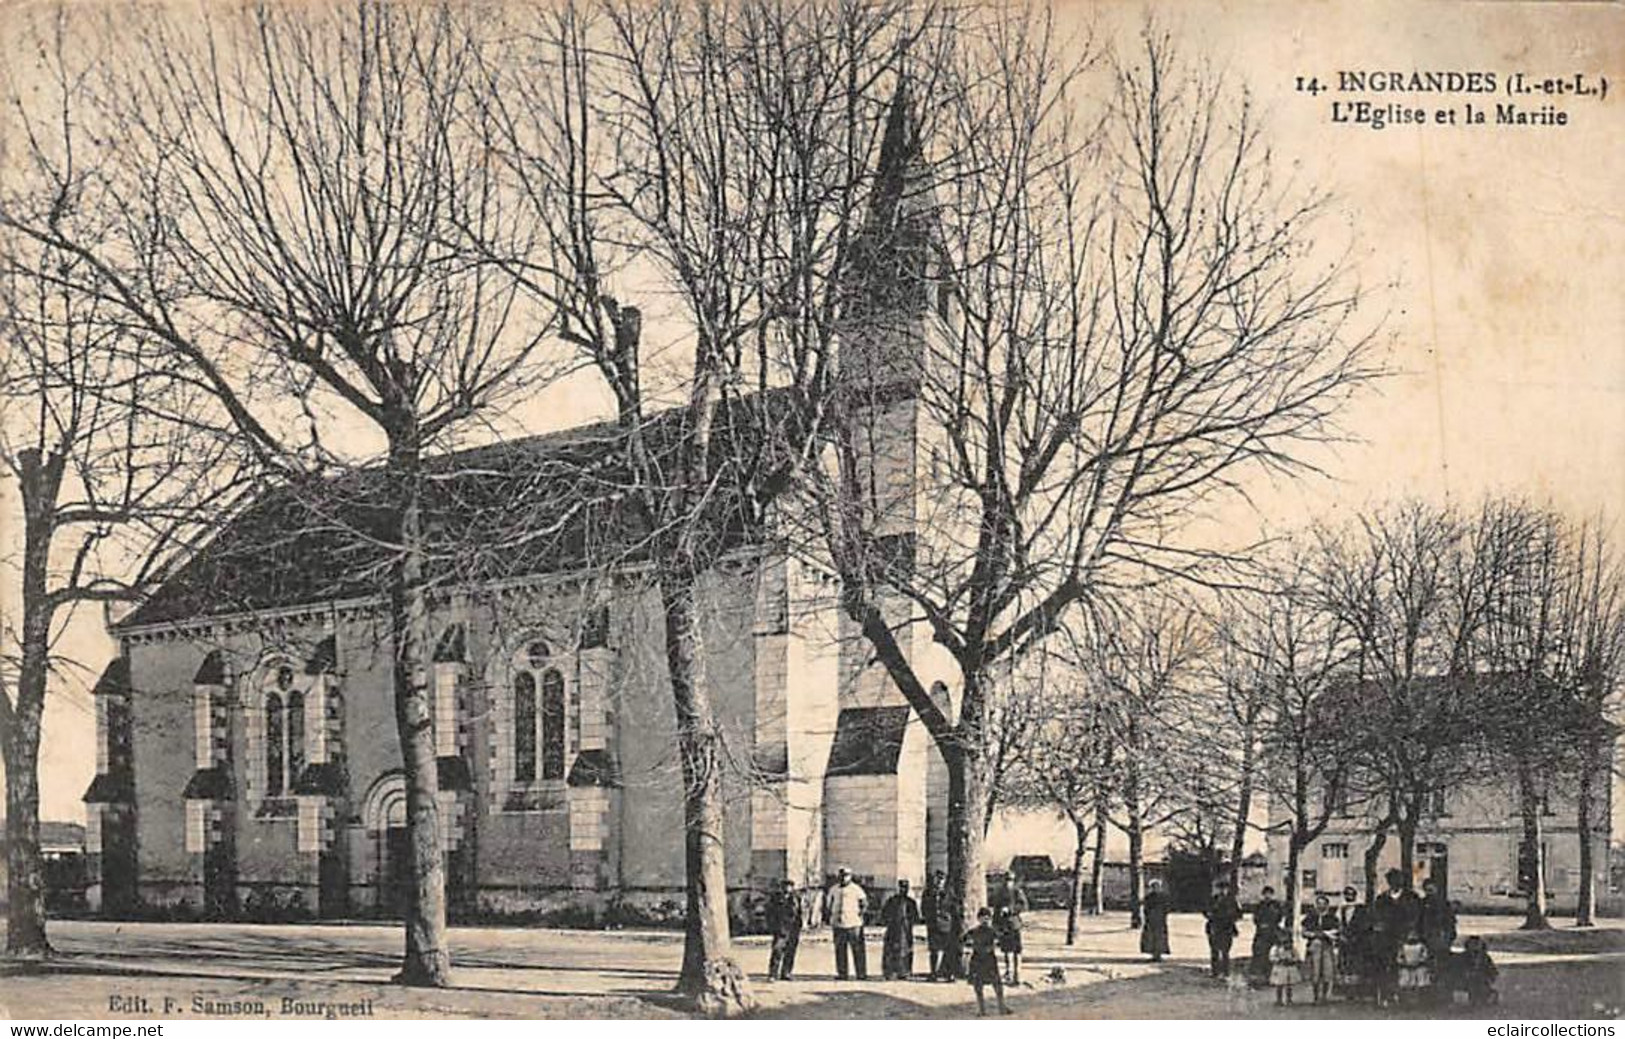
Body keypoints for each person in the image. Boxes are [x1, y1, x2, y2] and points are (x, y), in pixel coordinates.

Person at [1371, 869, 1421, 1007]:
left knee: (1405, 967)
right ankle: (1387, 995)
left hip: (1404, 936)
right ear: (1389, 881)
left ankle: (1404, 996)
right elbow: (1377, 917)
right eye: (1392, 880)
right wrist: (1380, 927)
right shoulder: (1382, 898)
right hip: (1386, 938)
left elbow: (1416, 916)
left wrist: (1411, 931)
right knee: (1387, 966)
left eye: (1398, 879)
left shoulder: (1411, 897)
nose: (1396, 882)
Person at [962, 907, 1012, 1016]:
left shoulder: (991, 931)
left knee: (997, 984)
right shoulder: (974, 931)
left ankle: (1001, 1007)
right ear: (978, 919)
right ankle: (982, 1009)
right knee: (978, 986)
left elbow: (1001, 939)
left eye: (987, 918)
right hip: (979, 959)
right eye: (983, 918)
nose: (985, 920)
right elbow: (964, 941)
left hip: (989, 959)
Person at [824, 867, 869, 980]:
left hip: (853, 924)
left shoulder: (856, 889)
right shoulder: (833, 889)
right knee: (840, 950)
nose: (843, 878)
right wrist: (830, 916)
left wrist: (860, 915)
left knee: (857, 950)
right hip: (838, 924)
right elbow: (828, 905)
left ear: (850, 876)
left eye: (846, 876)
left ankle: (861, 973)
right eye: (841, 876)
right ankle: (842, 973)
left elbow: (864, 903)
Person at [1302, 893, 1341, 1004]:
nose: (1321, 906)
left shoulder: (1332, 918)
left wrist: (1326, 934)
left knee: (1327, 972)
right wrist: (1314, 935)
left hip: (1327, 946)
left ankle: (1324, 996)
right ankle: (1316, 996)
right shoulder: (1310, 917)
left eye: (1324, 904)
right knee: (1315, 972)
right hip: (1314, 946)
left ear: (1327, 905)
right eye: (1319, 904)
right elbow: (1304, 932)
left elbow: (1336, 931)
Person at [881, 878, 921, 980]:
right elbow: (884, 914)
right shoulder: (892, 900)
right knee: (890, 950)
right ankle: (890, 972)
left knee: (905, 950)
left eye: (905, 888)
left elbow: (915, 917)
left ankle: (905, 971)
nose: (903, 890)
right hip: (893, 929)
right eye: (901, 887)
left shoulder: (911, 902)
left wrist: (908, 923)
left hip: (905, 930)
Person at [1337, 886, 1373, 998]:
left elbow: (1365, 925)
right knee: (1346, 966)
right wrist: (1342, 936)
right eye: (1347, 894)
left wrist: (1357, 937)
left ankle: (1359, 991)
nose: (1349, 897)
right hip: (1345, 941)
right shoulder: (1342, 909)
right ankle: (1348, 991)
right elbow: (1339, 924)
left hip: (1358, 942)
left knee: (1358, 966)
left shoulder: (1361, 908)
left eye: (1351, 894)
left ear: (1355, 895)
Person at [992, 875, 1028, 985]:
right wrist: (995, 925)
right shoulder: (1000, 893)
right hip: (1004, 925)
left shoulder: (1017, 892)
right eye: (1006, 880)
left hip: (1014, 924)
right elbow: (996, 909)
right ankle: (1009, 972)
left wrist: (1011, 909)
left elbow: (1024, 906)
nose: (1008, 883)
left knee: (1017, 950)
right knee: (1007, 950)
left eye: (1010, 880)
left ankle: (1018, 974)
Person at [1204, 880, 1243, 978]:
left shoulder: (1232, 901)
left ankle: (1226, 972)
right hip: (1214, 927)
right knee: (1214, 950)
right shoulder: (1213, 900)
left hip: (1227, 927)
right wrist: (1210, 915)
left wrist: (1231, 918)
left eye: (1224, 889)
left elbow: (1239, 914)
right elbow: (1205, 910)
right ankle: (1215, 971)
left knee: (1225, 950)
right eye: (1220, 888)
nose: (1222, 891)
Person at [766, 878, 803, 981]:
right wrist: (772, 926)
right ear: (782, 887)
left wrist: (799, 926)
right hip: (780, 929)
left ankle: (786, 973)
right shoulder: (776, 898)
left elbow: (799, 912)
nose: (787, 888)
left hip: (793, 929)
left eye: (790, 886)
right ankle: (773, 974)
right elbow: (769, 913)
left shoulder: (796, 898)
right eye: (785, 886)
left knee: (790, 951)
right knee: (777, 951)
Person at [1250, 885, 1285, 984]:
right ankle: (1260, 976)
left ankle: (1270, 976)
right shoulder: (1260, 906)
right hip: (1261, 932)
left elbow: (1279, 917)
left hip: (1273, 932)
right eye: (1266, 894)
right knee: (1260, 953)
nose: (1267, 896)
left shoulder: (1276, 905)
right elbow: (1256, 918)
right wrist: (1261, 925)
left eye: (1269, 894)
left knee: (1272, 954)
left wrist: (1272, 924)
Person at [1419, 878, 1457, 970]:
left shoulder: (1444, 904)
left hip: (1441, 938)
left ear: (1436, 889)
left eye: (1432, 890)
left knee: (1443, 962)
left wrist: (1450, 936)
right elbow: (1419, 921)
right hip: (1427, 938)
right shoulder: (1421, 904)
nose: (1430, 893)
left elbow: (1450, 921)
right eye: (1428, 890)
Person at [922, 870, 952, 980]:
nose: (939, 882)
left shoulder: (948, 893)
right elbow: (924, 907)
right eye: (937, 879)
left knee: (947, 950)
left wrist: (948, 918)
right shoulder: (928, 893)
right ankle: (933, 973)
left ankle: (947, 974)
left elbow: (953, 908)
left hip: (945, 924)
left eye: (941, 880)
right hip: (933, 924)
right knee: (933, 950)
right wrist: (928, 918)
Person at [1395, 927, 1433, 1006]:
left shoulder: (1421, 946)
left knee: (1421, 983)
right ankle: (1406, 1000)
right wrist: (1404, 963)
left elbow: (1425, 957)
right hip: (1407, 968)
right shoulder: (1403, 947)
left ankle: (1421, 1000)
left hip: (1419, 968)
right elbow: (1399, 958)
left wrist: (1419, 962)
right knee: (1405, 983)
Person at [1459, 935, 1498, 1007]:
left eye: (1476, 944)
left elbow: (1492, 971)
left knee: (1479, 983)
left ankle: (1484, 996)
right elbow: (1458, 969)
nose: (1474, 947)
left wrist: (1489, 978)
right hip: (1466, 979)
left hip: (1481, 979)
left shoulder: (1485, 958)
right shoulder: (1462, 957)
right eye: (1472, 944)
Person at [1140, 879, 1171, 963]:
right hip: (1151, 920)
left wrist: (1163, 914)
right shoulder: (1149, 897)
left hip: (1160, 920)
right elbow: (1146, 908)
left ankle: (1158, 954)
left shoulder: (1163, 897)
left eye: (1157, 886)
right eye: (1154, 887)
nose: (1155, 888)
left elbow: (1167, 907)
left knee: (1159, 937)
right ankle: (1154, 954)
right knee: (1151, 937)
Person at [1269, 931, 1301, 1007]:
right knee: (1279, 985)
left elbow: (1297, 957)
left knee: (1289, 986)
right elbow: (1272, 957)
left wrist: (1292, 960)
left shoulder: (1292, 949)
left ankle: (1289, 999)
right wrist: (1279, 960)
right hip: (1280, 967)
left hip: (1289, 968)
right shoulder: (1276, 948)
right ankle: (1279, 999)